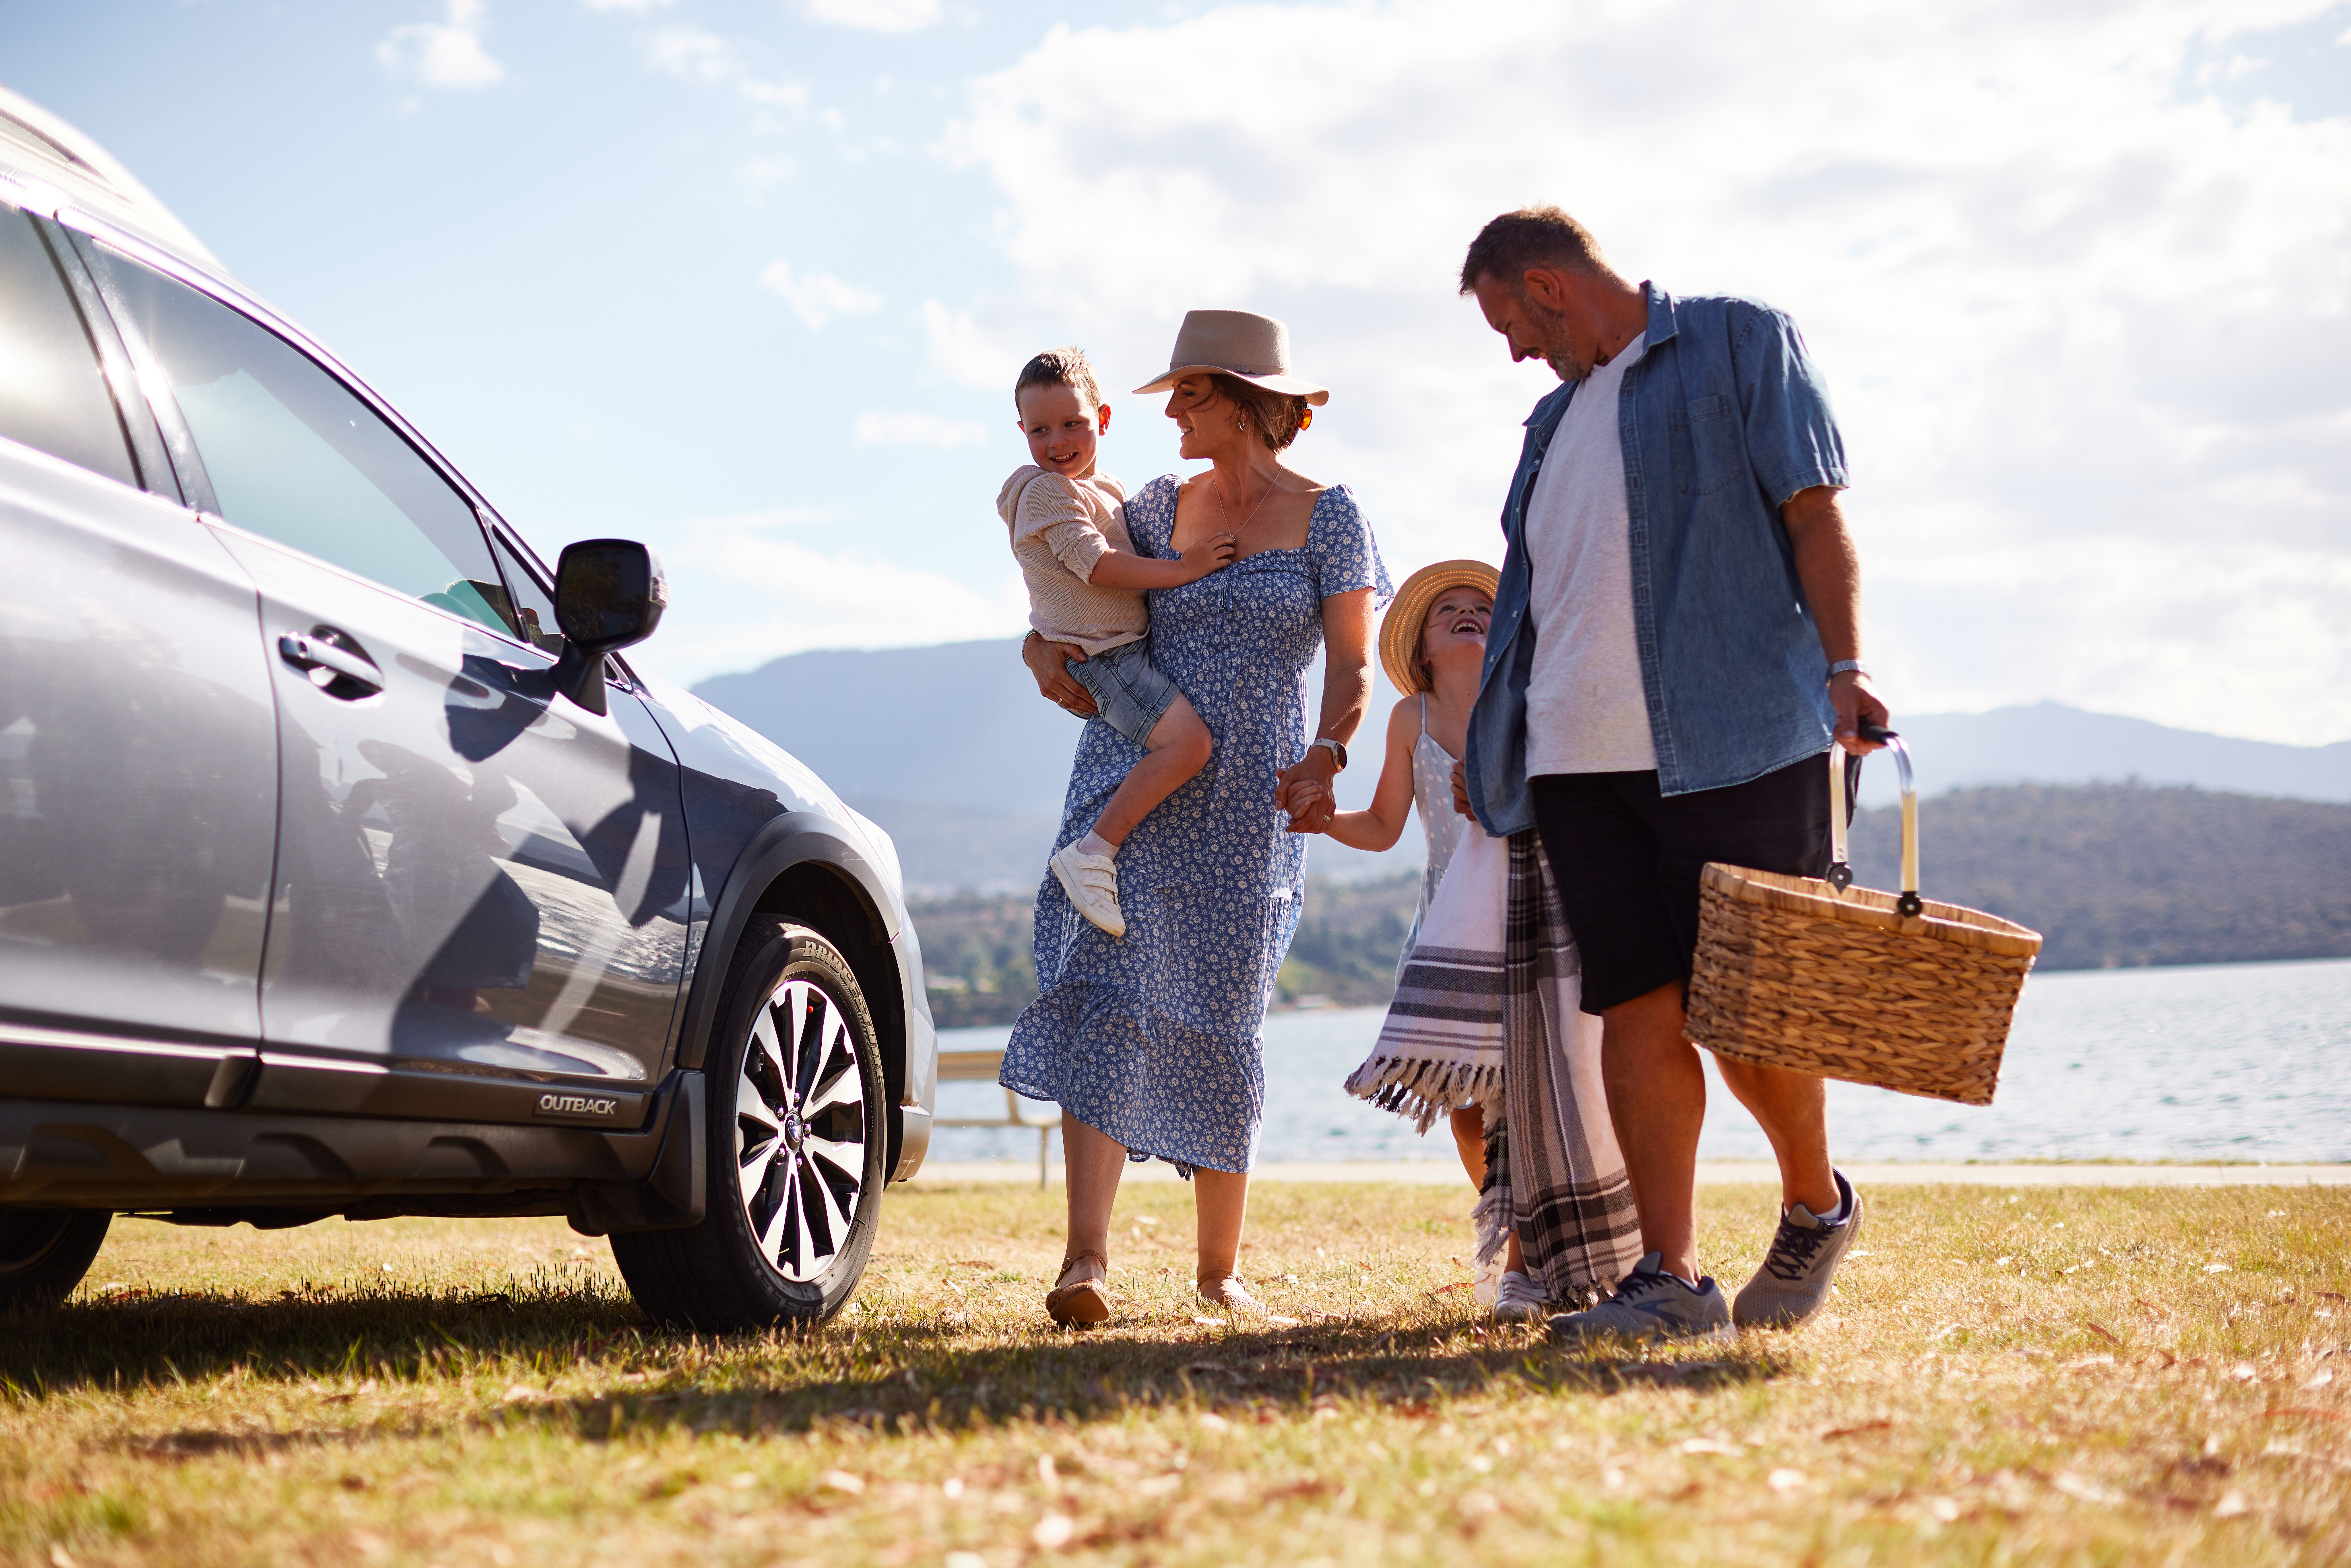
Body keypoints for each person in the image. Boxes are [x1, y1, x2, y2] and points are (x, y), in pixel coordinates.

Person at [1454, 205, 1888, 1344]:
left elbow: (1813, 508)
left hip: (1736, 737)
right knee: (1634, 1007)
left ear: (1547, 286)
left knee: (1752, 1018)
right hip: (1574, 765)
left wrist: (1844, 667)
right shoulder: (1549, 425)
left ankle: (1813, 1201)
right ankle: (1671, 1277)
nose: (1512, 351)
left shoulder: (1740, 342)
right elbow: (1528, 602)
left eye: (1507, 322)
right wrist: (1492, 744)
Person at [1003, 309, 1390, 1326]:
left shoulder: (1331, 514)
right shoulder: (1157, 504)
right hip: (1130, 782)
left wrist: (1330, 751)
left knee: (1224, 1014)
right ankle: (1085, 1260)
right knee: (1109, 993)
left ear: (1248, 403)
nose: (1170, 408)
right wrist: (1040, 658)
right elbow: (1070, 593)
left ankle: (1219, 1273)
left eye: (1191, 392)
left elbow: (1352, 664)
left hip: (1250, 799)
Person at [1299, 562, 1640, 1326]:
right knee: (1465, 1111)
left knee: (1536, 1096)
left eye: (1480, 607)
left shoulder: (1526, 704)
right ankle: (1527, 1238)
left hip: (1537, 920)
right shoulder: (1410, 719)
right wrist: (1328, 820)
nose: (1464, 614)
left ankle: (1523, 1268)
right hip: (1447, 929)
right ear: (1420, 647)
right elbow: (1386, 826)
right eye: (1445, 610)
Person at [998, 348, 1237, 937]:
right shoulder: (1048, 491)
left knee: (1184, 747)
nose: (1058, 441)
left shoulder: (1103, 488)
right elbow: (1096, 567)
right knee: (1188, 745)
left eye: (1072, 423)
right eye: (1040, 429)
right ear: (1021, 432)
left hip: (1119, 650)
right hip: (1104, 658)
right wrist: (1186, 568)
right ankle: (1094, 851)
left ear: (1103, 419)